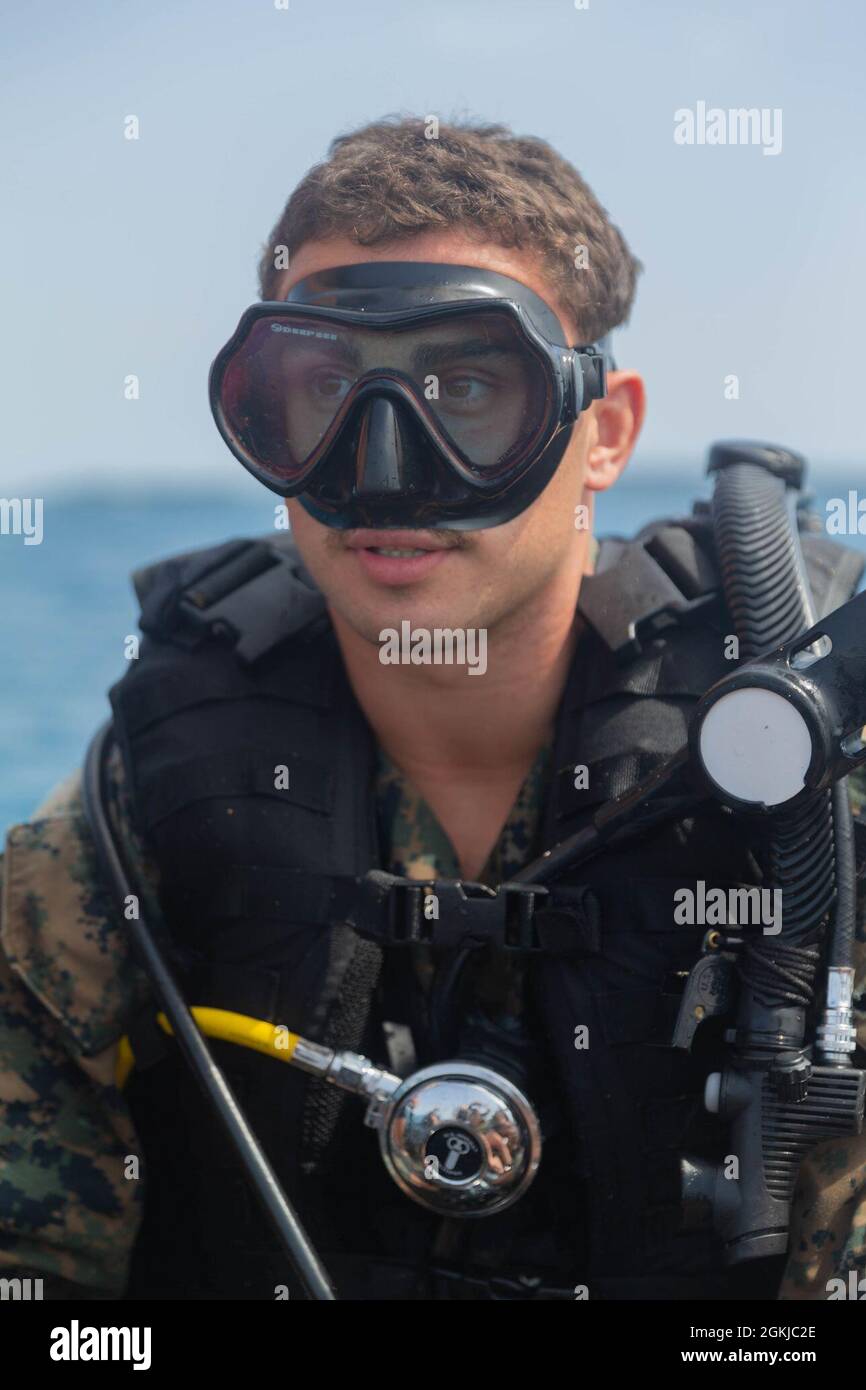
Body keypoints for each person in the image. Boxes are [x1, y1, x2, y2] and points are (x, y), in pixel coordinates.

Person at [2, 117, 865, 1302]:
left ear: (601, 430)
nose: (382, 467)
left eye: (466, 387)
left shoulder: (813, 817)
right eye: (319, 390)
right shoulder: (120, 837)